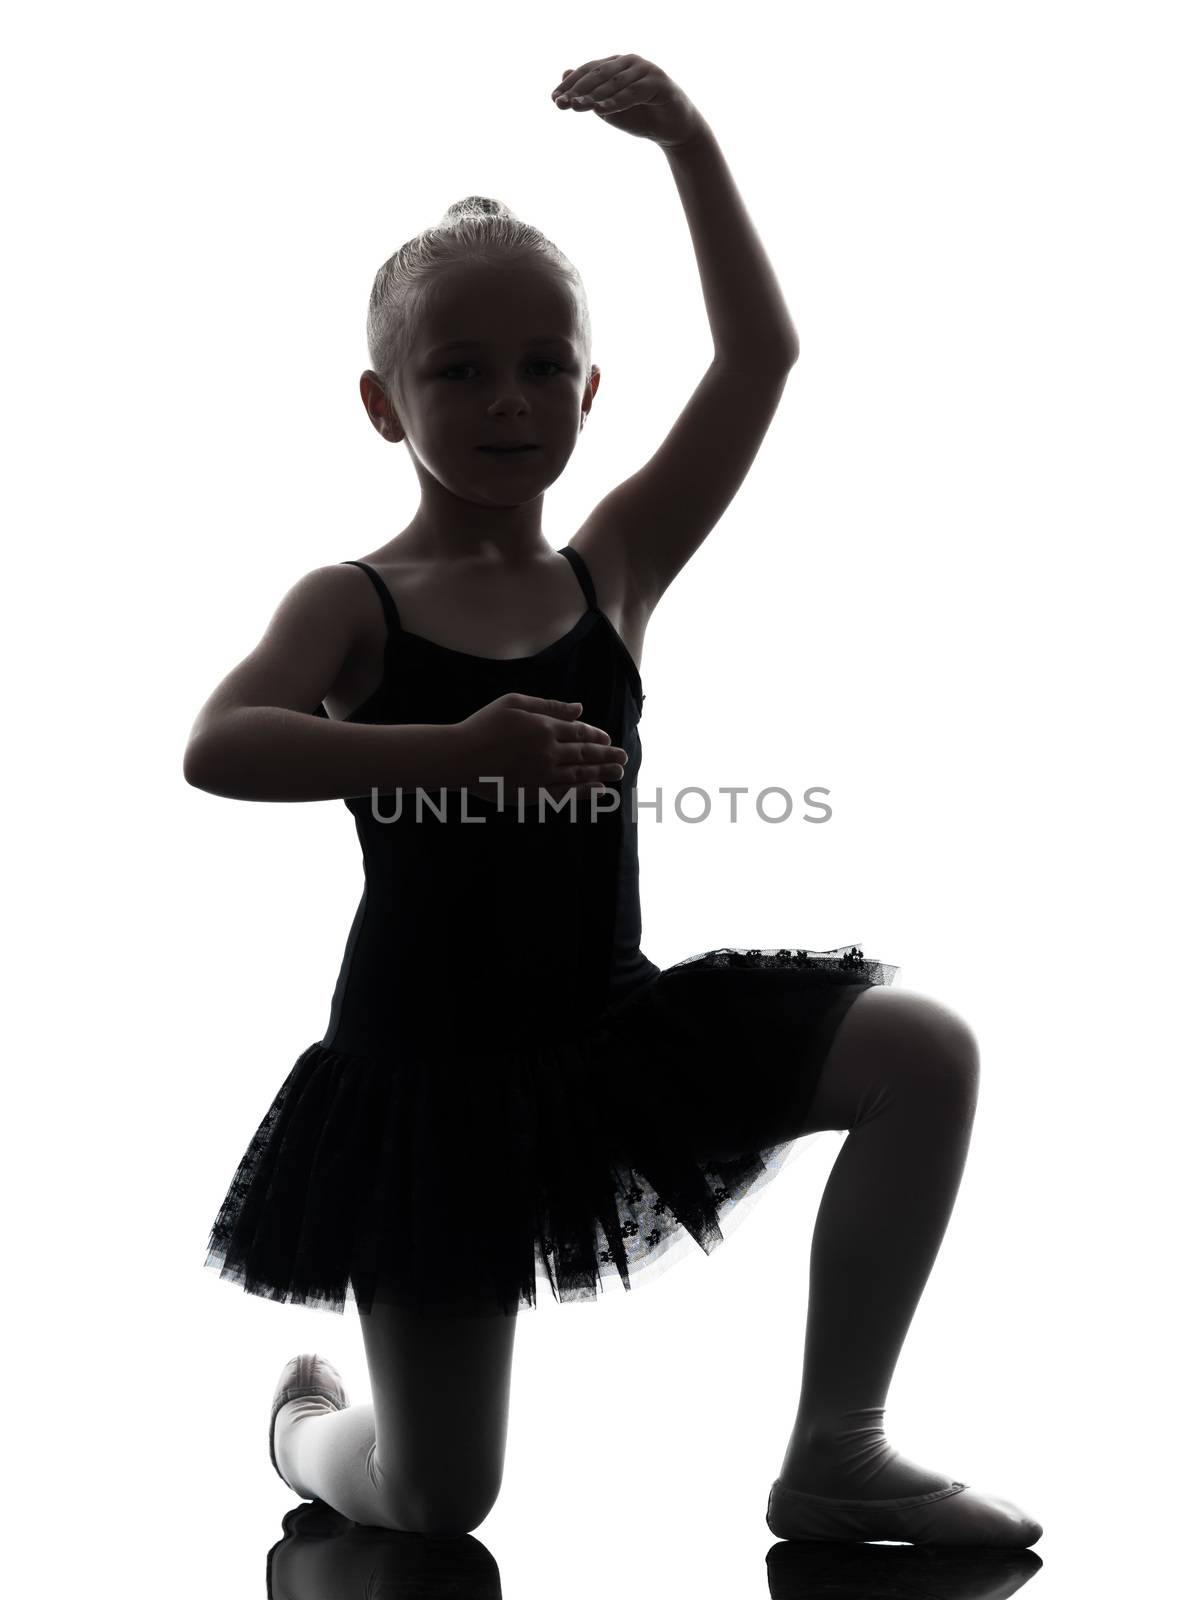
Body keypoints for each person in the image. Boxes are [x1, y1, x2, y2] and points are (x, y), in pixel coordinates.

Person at [186, 56, 1042, 1547]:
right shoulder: (354, 602)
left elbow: (760, 362)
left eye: (541, 363)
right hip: (430, 1082)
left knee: (923, 1050)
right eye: (458, 370)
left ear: (589, 388)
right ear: (386, 404)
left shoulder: (612, 569)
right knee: (439, 1501)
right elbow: (222, 743)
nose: (507, 398)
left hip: (612, 1033)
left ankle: (836, 1447)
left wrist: (692, 146)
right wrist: (448, 753)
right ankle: (308, 1427)